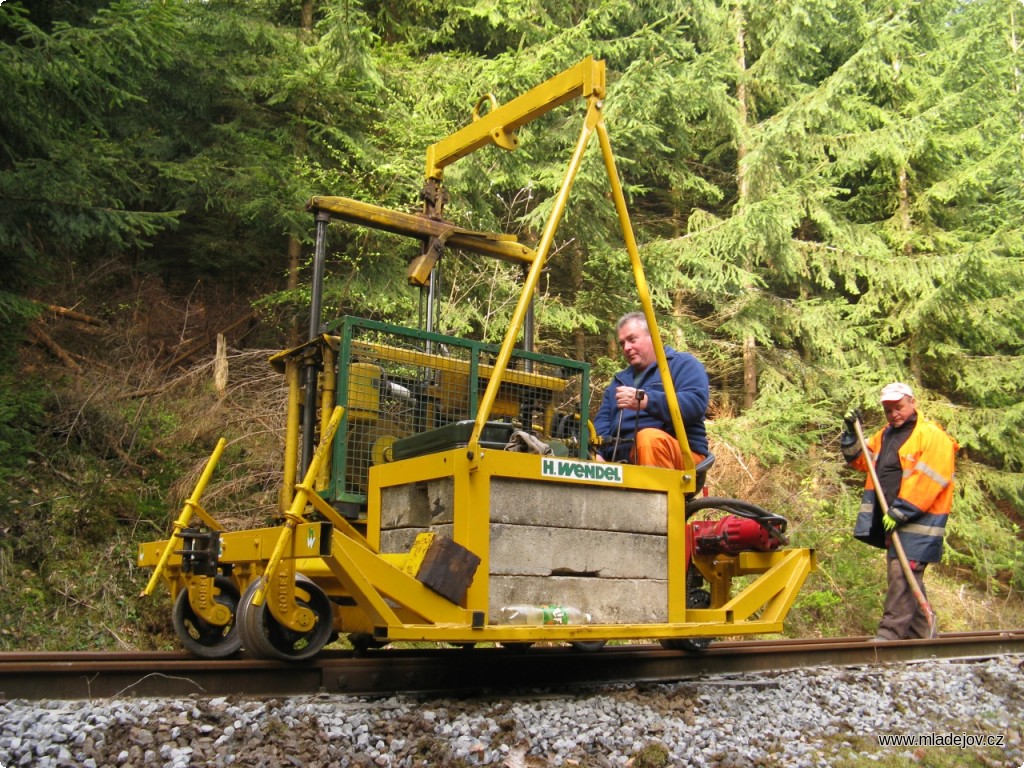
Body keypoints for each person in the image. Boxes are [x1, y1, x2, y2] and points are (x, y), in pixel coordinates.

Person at [841, 382, 959, 641]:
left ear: (912, 402)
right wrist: (851, 432)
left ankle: (889, 634)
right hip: (893, 518)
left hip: (920, 520)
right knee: (907, 577)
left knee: (901, 573)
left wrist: (901, 511)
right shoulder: (884, 436)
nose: (894, 413)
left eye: (899, 407)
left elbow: (932, 480)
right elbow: (859, 460)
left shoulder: (931, 435)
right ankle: (925, 638)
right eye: (888, 409)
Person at [592, 311, 709, 469]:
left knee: (648, 439)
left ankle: (653, 493)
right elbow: (603, 423)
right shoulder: (619, 381)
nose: (626, 348)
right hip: (623, 460)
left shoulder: (682, 364)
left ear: (653, 336)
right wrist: (597, 452)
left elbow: (695, 404)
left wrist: (646, 401)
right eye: (622, 343)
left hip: (678, 454)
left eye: (632, 339)